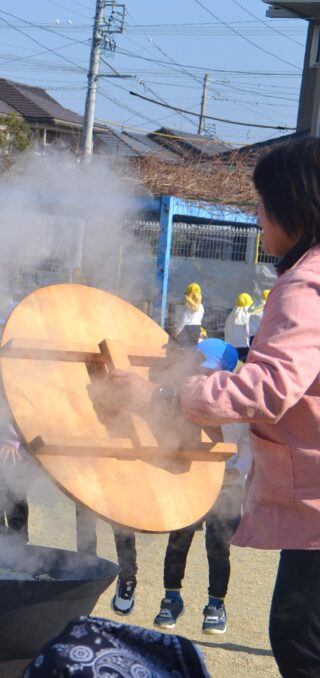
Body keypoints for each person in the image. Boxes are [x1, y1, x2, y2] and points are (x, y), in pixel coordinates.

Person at [94, 138, 320, 676]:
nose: (257, 217)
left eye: (263, 203)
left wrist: (163, 395)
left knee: (301, 641)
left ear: (296, 204)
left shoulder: (305, 285)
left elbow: (267, 388)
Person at [152, 339, 250, 635]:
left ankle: (216, 605)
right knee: (178, 541)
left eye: (209, 371)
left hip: (227, 486)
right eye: (198, 369)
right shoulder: (181, 397)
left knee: (218, 548)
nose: (202, 377)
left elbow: (248, 443)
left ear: (226, 373)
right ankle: (171, 598)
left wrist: (238, 469)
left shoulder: (239, 401)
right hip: (190, 480)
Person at [223, 293, 253, 362]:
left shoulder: (231, 316)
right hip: (244, 347)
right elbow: (247, 332)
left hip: (231, 346)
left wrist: (227, 342)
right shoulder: (247, 316)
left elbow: (226, 330)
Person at [174, 282, 204, 347]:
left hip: (187, 329)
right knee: (193, 348)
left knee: (184, 348)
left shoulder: (187, 306)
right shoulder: (201, 306)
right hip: (197, 328)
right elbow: (200, 318)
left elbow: (183, 320)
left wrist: (177, 331)